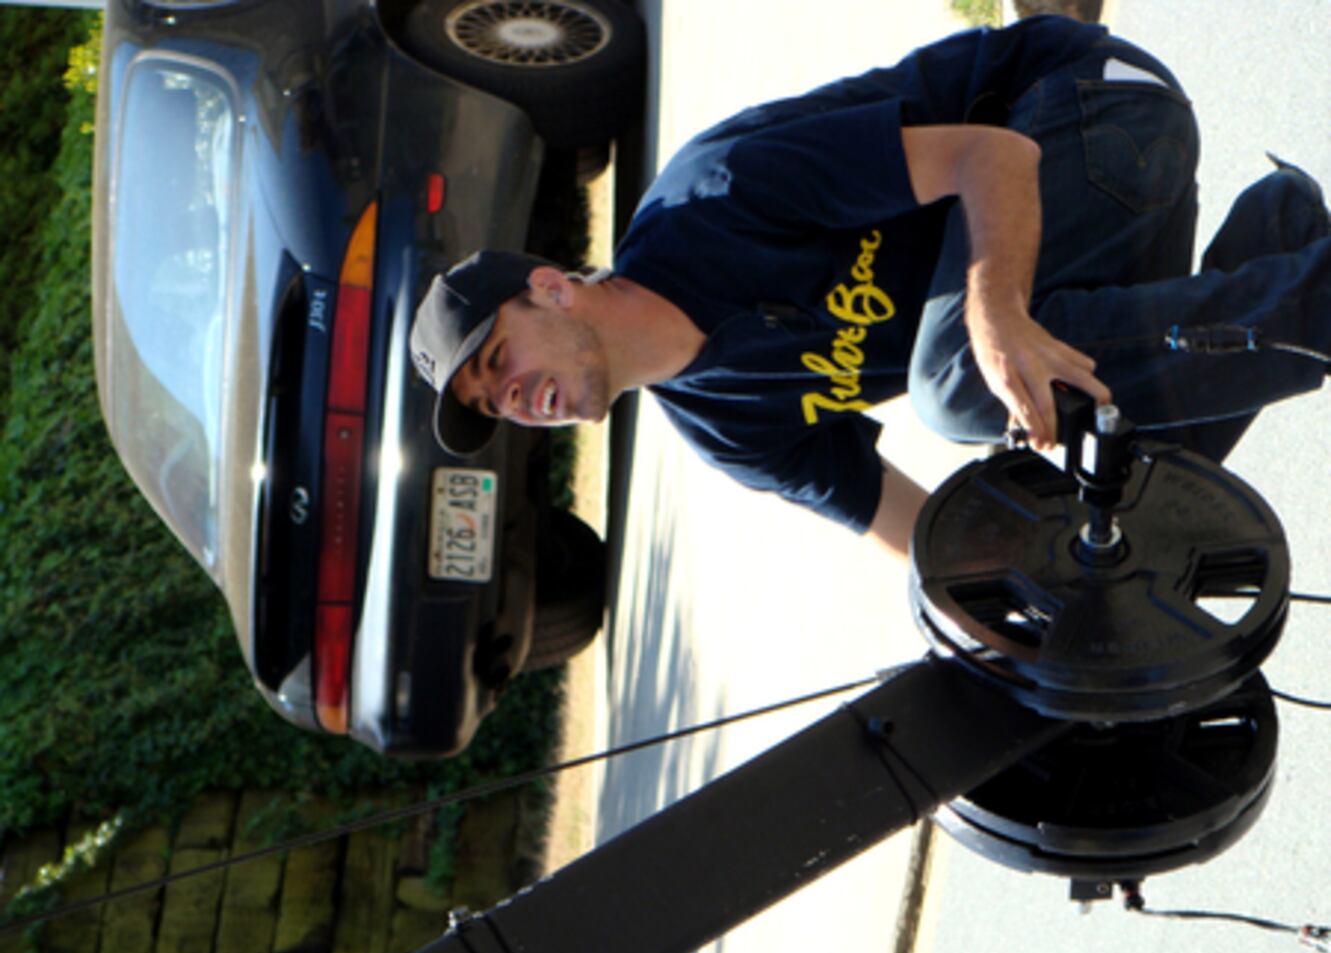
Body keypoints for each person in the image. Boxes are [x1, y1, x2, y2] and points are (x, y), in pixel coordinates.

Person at [409, 14, 1330, 560]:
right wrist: (1011, 622)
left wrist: (995, 317)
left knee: (962, 387)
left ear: (551, 288)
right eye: (495, 405)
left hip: (1089, 104)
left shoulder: (712, 202)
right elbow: (915, 529)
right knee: (1125, 488)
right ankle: (1282, 235)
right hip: (1090, 230)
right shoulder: (724, 425)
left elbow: (992, 155)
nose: (514, 398)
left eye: (498, 358)